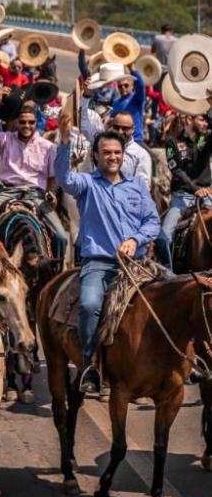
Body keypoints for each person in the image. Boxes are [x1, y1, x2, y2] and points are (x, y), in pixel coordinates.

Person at [55, 115, 160, 395]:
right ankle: (89, 364)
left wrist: (135, 239)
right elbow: (64, 178)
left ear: (123, 155)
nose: (112, 157)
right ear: (96, 156)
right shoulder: (87, 184)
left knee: (181, 292)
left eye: (116, 153)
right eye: (106, 153)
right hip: (100, 263)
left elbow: (152, 221)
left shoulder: (136, 186)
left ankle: (186, 359)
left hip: (137, 264)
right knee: (89, 305)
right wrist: (65, 142)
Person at [0, 91, 68, 261]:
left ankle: (55, 275)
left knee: (61, 236)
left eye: (31, 122)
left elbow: (52, 177)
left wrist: (52, 193)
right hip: (6, 192)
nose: (27, 125)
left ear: (36, 123)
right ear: (16, 123)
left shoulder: (48, 147)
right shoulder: (5, 139)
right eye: (23, 122)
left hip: (37, 195)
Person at [155, 113, 212, 269]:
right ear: (189, 119)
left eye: (207, 121)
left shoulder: (206, 138)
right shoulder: (172, 142)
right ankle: (169, 273)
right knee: (164, 237)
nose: (205, 124)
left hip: (208, 195)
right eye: (202, 120)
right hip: (182, 196)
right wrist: (195, 189)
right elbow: (177, 171)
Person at [80, 105, 152, 191]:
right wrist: (86, 96)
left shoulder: (141, 155)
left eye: (125, 128)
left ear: (133, 129)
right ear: (112, 127)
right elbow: (83, 123)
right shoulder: (101, 144)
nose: (120, 132)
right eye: (116, 127)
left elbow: (143, 188)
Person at [108, 68, 146, 143]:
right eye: (120, 86)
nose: (123, 88)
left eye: (126, 85)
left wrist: (133, 70)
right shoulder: (116, 103)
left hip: (136, 140)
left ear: (132, 86)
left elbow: (141, 86)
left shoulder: (136, 99)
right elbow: (112, 120)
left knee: (153, 155)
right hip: (120, 140)